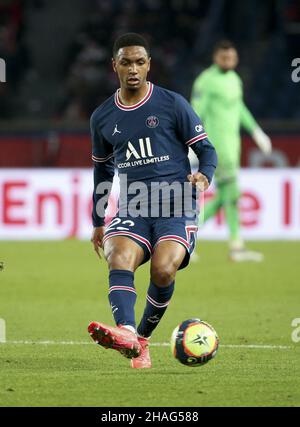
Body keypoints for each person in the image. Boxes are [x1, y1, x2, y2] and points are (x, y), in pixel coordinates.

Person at [88, 33, 217, 369]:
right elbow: (103, 173)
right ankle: (127, 332)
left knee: (163, 270)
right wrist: (98, 221)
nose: (133, 69)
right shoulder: (102, 117)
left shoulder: (172, 104)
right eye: (126, 62)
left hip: (176, 205)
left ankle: (141, 338)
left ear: (149, 65)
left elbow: (206, 150)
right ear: (114, 65)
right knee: (118, 256)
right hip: (134, 207)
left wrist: (204, 175)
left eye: (140, 62)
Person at [191, 40, 272, 262]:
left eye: (232, 57)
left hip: (232, 146)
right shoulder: (206, 81)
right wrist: (193, 145)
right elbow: (196, 112)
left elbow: (239, 107)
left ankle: (186, 235)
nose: (229, 61)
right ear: (216, 57)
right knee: (231, 194)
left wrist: (256, 131)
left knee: (227, 196)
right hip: (217, 147)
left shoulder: (235, 79)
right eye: (224, 57)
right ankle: (236, 247)